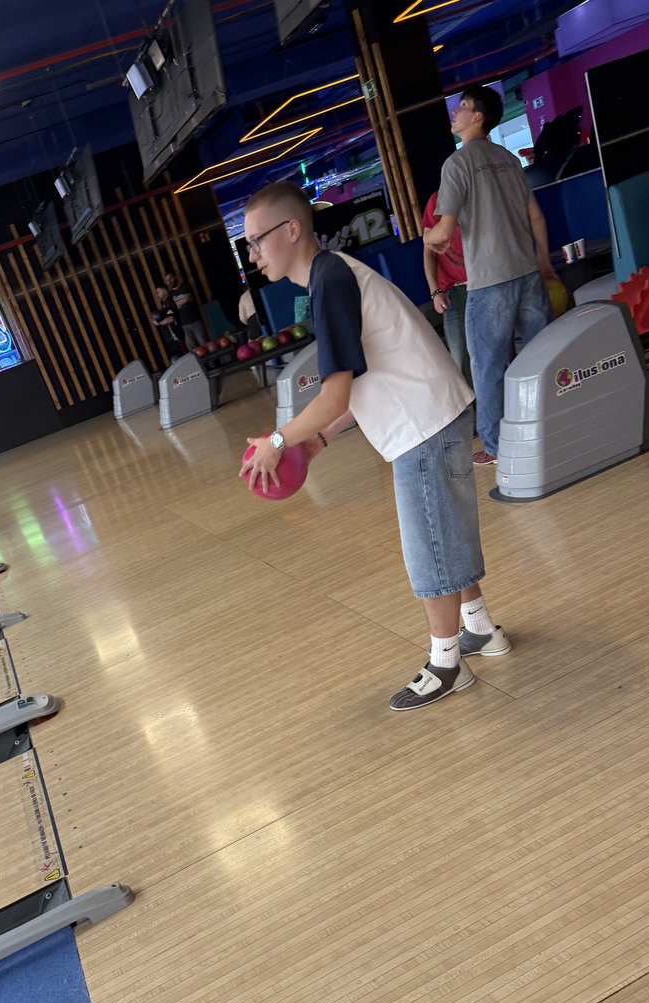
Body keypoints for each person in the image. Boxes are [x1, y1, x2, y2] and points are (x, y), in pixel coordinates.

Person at [238, 181, 511, 714]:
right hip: (433, 413)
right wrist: (317, 438)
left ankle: (447, 664)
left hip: (424, 423)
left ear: (291, 230)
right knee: (445, 531)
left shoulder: (330, 280)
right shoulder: (331, 274)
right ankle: (480, 629)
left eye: (256, 240)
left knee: (430, 546)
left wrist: (278, 439)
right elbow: (359, 379)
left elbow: (334, 392)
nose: (252, 255)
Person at [425, 84, 557, 466]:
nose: (455, 113)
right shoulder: (509, 159)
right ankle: (552, 423)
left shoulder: (456, 164)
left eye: (462, 106)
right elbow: (536, 216)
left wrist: (428, 237)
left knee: (488, 367)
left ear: (477, 116)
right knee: (542, 354)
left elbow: (444, 231)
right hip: (528, 272)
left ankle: (498, 447)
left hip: (489, 281)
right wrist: (544, 262)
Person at [421, 190, 472, 388]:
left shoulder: (479, 192)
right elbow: (428, 250)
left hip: (486, 285)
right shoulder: (437, 200)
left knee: (494, 352)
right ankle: (474, 406)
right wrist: (435, 292)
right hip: (455, 291)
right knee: (459, 358)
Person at [164, 271, 207, 350]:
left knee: (203, 343)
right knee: (192, 348)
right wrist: (180, 303)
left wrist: (176, 305)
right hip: (183, 324)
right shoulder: (170, 295)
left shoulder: (184, 286)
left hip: (195, 320)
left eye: (170, 278)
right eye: (167, 280)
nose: (169, 281)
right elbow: (171, 308)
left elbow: (188, 298)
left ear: (175, 277)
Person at [150, 286, 184, 359]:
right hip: (173, 333)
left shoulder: (169, 302)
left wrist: (158, 323)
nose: (157, 295)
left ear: (164, 292)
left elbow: (171, 318)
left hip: (178, 332)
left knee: (183, 353)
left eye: (158, 292)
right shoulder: (164, 303)